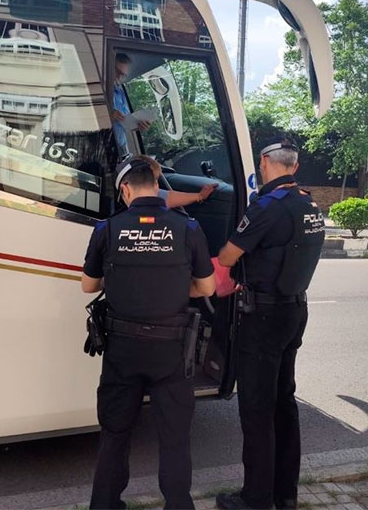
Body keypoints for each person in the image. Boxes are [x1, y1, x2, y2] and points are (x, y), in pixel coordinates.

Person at [81, 157, 216, 510]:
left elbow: (87, 285)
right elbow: (207, 287)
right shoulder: (189, 229)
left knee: (114, 434)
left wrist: (127, 280)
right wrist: (171, 286)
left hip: (122, 351)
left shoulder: (106, 229)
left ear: (125, 189)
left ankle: (105, 505)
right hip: (171, 352)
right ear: (156, 187)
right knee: (174, 438)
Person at [214, 137, 325, 510]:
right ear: (294, 165)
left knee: (257, 410)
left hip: (262, 317)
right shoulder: (309, 204)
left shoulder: (267, 206)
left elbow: (229, 255)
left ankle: (255, 498)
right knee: (284, 404)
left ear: (264, 163)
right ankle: (285, 494)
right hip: (294, 313)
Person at [112, 53, 150, 158]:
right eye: (117, 71)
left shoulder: (120, 91)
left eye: (122, 74)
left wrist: (137, 125)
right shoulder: (95, 87)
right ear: (108, 65)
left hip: (121, 149)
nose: (118, 77)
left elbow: (125, 121)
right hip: (101, 147)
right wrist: (108, 114)